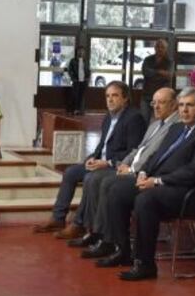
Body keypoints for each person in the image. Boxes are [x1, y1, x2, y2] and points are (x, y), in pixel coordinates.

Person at [99, 88, 195, 280]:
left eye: (189, 105)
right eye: (181, 105)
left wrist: (157, 181)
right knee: (117, 189)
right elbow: (156, 157)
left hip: (194, 192)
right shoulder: (176, 128)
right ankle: (122, 250)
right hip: (165, 184)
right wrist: (143, 173)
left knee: (146, 200)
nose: (184, 110)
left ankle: (145, 264)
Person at [71, 88, 179, 258]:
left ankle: (107, 239)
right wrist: (124, 164)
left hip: (144, 174)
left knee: (104, 181)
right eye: (154, 103)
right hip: (128, 167)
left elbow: (155, 155)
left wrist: (132, 169)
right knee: (92, 178)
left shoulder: (176, 126)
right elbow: (138, 149)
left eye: (161, 102)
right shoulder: (155, 124)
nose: (156, 107)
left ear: (174, 105)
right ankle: (95, 232)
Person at [33, 82, 146, 238]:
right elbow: (102, 145)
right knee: (71, 172)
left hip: (117, 166)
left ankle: (79, 224)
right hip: (101, 163)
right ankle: (58, 218)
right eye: (107, 96)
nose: (110, 100)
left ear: (125, 98)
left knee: (90, 178)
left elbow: (134, 151)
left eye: (115, 95)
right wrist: (92, 158)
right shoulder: (108, 117)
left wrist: (107, 162)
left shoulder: (134, 118)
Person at [140, 39, 173, 121]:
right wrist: (159, 72)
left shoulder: (169, 62)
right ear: (154, 48)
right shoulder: (148, 59)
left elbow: (168, 76)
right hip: (147, 95)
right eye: (158, 46)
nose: (160, 49)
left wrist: (152, 73)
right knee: (143, 120)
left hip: (162, 97)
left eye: (162, 47)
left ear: (166, 49)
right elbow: (145, 72)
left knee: (159, 121)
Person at [66, 46, 90, 115]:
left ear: (84, 53)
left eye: (82, 51)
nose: (81, 53)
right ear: (77, 52)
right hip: (76, 81)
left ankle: (81, 110)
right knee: (75, 96)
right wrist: (73, 78)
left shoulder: (86, 61)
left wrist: (88, 78)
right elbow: (69, 70)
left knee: (82, 96)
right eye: (79, 51)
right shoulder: (73, 61)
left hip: (84, 81)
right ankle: (74, 110)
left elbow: (88, 70)